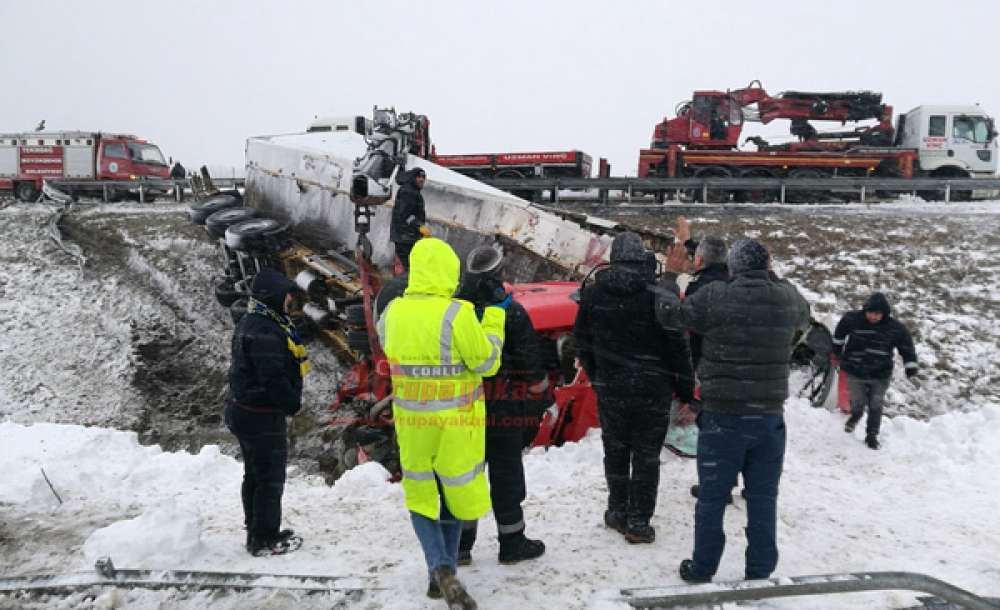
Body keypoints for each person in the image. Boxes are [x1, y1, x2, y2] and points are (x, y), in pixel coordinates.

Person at [656, 238, 810, 583]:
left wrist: (669, 278)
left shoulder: (716, 297)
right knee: (763, 499)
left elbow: (671, 316)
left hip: (723, 416)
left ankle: (702, 568)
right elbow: (805, 317)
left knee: (711, 500)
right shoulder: (786, 297)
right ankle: (759, 571)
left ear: (732, 268)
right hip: (769, 418)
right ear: (767, 266)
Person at [377, 238, 508, 608]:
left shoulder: (393, 313)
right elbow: (487, 364)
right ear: (449, 270)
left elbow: (392, 353)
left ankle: (438, 572)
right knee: (452, 498)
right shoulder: (458, 314)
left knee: (421, 498)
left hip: (413, 424)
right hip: (455, 424)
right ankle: (445, 569)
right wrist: (496, 318)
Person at [574, 232, 695, 544]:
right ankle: (639, 522)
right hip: (652, 390)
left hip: (611, 387)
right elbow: (677, 348)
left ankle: (616, 510)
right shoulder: (657, 294)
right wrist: (685, 391)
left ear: (613, 259)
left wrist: (598, 376)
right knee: (646, 457)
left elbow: (582, 343)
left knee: (615, 451)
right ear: (642, 259)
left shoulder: (592, 294)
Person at [455, 246, 547, 565]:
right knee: (506, 474)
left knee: (465, 476)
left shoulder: (455, 310)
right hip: (503, 404)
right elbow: (530, 364)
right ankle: (512, 542)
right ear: (499, 274)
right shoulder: (511, 310)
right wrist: (538, 389)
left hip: (464, 407)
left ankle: (461, 545)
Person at [225, 269, 310, 557]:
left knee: (255, 474)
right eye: (286, 293)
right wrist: (292, 403)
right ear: (272, 295)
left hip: (245, 411)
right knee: (270, 478)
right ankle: (264, 538)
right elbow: (273, 379)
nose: (289, 299)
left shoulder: (255, 321)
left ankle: (256, 528)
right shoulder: (266, 333)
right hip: (261, 416)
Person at [833, 292, 918, 450]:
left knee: (875, 404)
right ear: (865, 311)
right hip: (855, 369)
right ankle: (856, 414)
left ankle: (872, 435)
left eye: (877, 314)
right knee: (857, 400)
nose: (873, 316)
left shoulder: (895, 328)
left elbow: (906, 346)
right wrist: (836, 350)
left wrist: (910, 365)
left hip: (880, 373)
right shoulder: (852, 319)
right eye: (870, 313)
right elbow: (839, 333)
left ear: (884, 314)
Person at [391, 167, 430, 271]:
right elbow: (405, 215)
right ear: (413, 178)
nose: (421, 179)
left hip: (407, 236)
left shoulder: (413, 191)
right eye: (418, 177)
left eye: (423, 177)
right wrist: (419, 226)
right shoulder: (408, 192)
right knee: (408, 267)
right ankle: (403, 285)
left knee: (408, 265)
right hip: (405, 237)